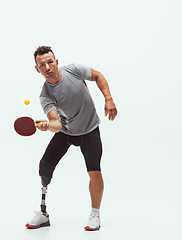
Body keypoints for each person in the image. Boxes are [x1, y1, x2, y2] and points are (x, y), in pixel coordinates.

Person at [25, 46, 117, 231]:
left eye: (50, 62)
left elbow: (98, 76)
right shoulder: (46, 95)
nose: (47, 67)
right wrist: (47, 126)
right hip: (66, 132)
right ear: (37, 69)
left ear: (56, 62)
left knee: (94, 172)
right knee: (45, 165)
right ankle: (43, 214)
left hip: (89, 129)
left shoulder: (74, 70)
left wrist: (108, 98)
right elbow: (56, 123)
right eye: (42, 65)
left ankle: (95, 214)